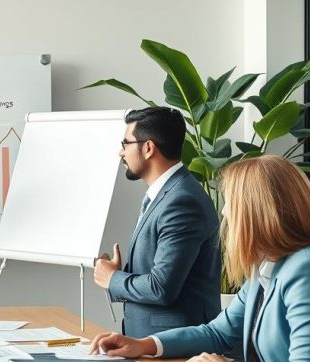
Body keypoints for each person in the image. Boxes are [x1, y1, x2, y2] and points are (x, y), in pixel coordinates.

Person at [91, 155, 310, 362]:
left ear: (256, 211)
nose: (225, 212)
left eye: (230, 203)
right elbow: (218, 333)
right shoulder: (270, 265)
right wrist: (145, 345)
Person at [93, 107, 221, 338]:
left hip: (176, 345)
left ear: (148, 148)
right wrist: (118, 276)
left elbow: (161, 287)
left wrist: (112, 279)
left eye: (125, 144)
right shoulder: (167, 194)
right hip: (151, 341)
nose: (121, 152)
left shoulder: (181, 201)